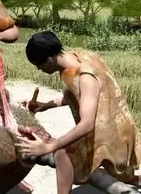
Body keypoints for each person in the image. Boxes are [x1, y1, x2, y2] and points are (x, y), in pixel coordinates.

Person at [15, 31, 141, 194]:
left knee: (62, 154)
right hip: (115, 126)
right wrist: (45, 105)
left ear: (48, 60)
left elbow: (87, 124)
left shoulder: (84, 75)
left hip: (108, 133)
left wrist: (48, 146)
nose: (39, 69)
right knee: (125, 177)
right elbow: (82, 97)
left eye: (38, 65)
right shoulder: (78, 56)